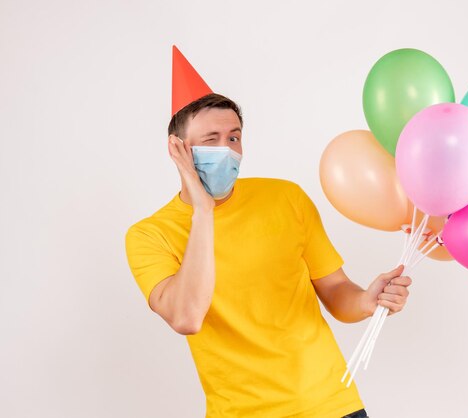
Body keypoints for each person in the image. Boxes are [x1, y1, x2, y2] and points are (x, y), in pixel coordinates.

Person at [124, 47, 412, 418]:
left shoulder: (285, 198)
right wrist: (203, 212)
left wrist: (368, 301)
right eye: (210, 139)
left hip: (330, 405)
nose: (226, 150)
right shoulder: (150, 236)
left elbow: (337, 293)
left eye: (234, 137)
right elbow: (187, 317)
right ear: (177, 148)